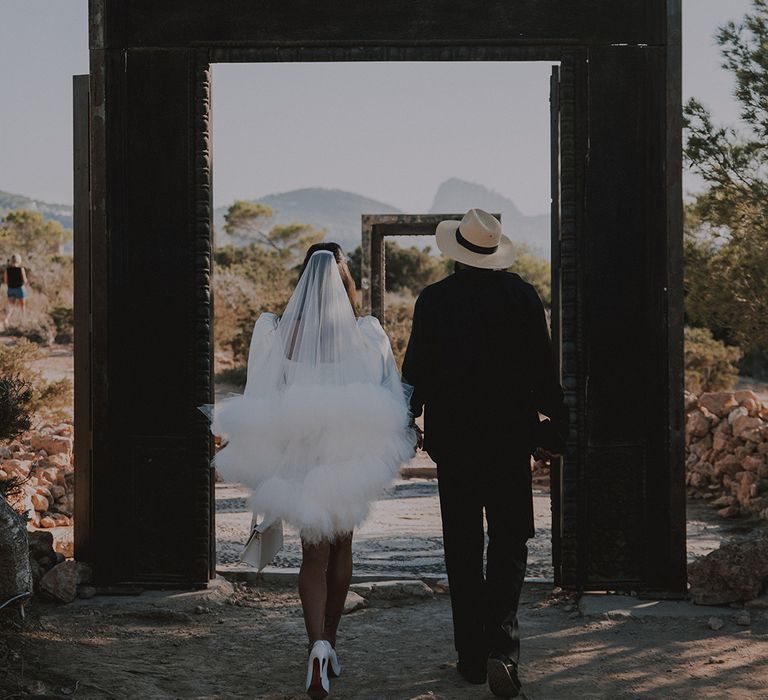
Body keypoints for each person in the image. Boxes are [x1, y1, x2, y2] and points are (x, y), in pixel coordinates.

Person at [203, 243, 414, 700]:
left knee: (311, 558)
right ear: (346, 284)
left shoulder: (277, 332)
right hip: (350, 458)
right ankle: (332, 645)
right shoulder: (367, 333)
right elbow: (389, 394)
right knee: (342, 552)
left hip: (301, 457)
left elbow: (261, 396)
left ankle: (314, 645)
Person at [402, 208, 568, 699]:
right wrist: (556, 426)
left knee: (462, 547)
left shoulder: (433, 301)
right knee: (510, 542)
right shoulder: (522, 297)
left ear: (456, 252)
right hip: (509, 441)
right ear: (494, 252)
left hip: (454, 446)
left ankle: (471, 659)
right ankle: (503, 648)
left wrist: (404, 419)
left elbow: (416, 371)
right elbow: (543, 369)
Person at [3, 253, 28, 328]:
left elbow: (6, 281)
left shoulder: (7, 270)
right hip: (19, 288)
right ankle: (23, 320)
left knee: (11, 307)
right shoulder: (21, 269)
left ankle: (6, 319)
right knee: (22, 307)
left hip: (10, 289)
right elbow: (25, 280)